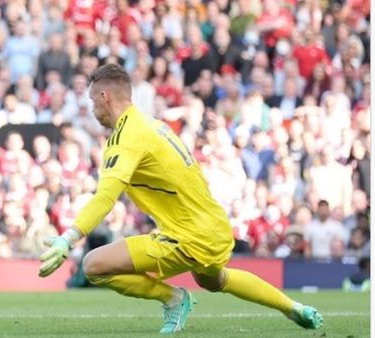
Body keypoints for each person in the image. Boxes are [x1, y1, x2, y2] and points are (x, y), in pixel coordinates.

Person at [38, 63, 323, 333]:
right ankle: (294, 308)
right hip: (214, 227)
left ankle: (173, 298)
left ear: (104, 96)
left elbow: (105, 199)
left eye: (92, 101)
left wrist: (69, 238)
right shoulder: (154, 125)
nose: (91, 109)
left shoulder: (128, 137)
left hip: (187, 235)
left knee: (93, 265)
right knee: (216, 280)